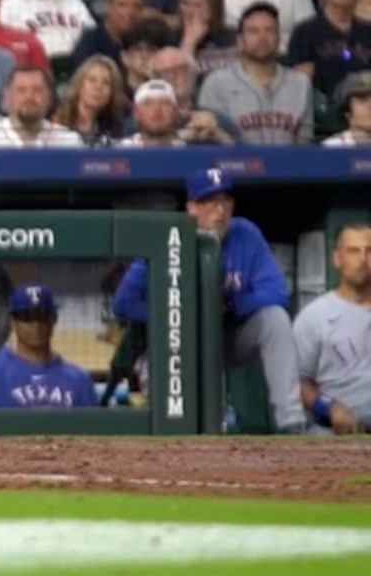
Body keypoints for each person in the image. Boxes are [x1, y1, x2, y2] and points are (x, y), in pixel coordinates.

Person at [113, 168, 306, 433]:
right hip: (180, 342)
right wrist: (180, 313)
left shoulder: (245, 234)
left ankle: (291, 423)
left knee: (275, 319)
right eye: (209, 202)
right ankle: (162, 427)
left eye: (225, 201)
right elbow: (124, 302)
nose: (219, 210)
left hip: (231, 334)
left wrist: (233, 304)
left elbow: (277, 293)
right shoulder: (169, 237)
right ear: (191, 207)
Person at [293, 223, 371, 434]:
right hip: (335, 434)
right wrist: (327, 408)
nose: (363, 259)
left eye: (369, 250)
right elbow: (296, 382)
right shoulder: (314, 316)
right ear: (338, 258)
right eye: (354, 251)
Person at [196, 4, 312, 146]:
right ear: (240, 41)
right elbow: (210, 142)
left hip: (290, 167)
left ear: (279, 39)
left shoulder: (300, 83)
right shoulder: (216, 83)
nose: (262, 37)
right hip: (234, 166)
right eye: (253, 31)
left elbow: (305, 146)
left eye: (269, 30)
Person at [0, 285, 98, 409]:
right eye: (27, 317)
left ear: (53, 320)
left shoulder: (79, 380)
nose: (36, 325)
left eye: (42, 316)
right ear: (13, 322)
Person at [0, 67, 83, 147]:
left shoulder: (70, 141)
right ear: (7, 98)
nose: (29, 97)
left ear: (49, 98)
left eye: (37, 90)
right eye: (21, 90)